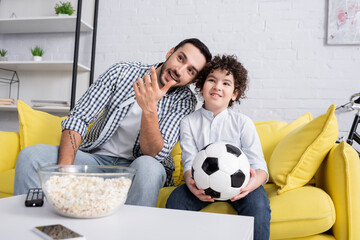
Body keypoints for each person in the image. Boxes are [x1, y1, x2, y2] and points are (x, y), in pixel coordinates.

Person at [14, 38, 212, 207]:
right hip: (96, 160)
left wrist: (149, 108)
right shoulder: (123, 72)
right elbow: (79, 118)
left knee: (149, 167)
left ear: (192, 80)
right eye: (180, 58)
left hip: (136, 168)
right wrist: (64, 172)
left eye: (190, 71)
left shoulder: (184, 101)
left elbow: (154, 153)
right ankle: (34, 228)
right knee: (31, 156)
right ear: (170, 52)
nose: (179, 70)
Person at [165, 55, 271, 239]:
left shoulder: (242, 122)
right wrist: (192, 185)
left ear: (235, 93)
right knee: (175, 200)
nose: (217, 87)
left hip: (241, 187)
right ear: (201, 86)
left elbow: (260, 168)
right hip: (203, 185)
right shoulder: (189, 122)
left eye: (226, 83)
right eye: (212, 80)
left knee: (259, 206)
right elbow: (189, 162)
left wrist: (249, 186)